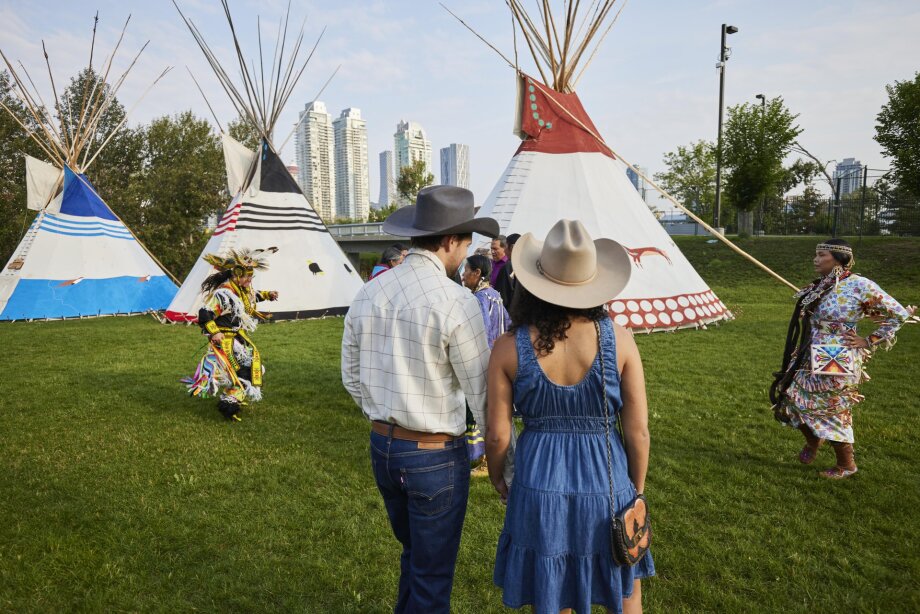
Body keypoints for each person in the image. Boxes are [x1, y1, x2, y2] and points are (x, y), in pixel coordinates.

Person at [341, 185, 501, 612]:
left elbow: (351, 377)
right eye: (465, 244)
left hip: (384, 447)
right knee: (430, 576)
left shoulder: (369, 292)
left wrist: (384, 415)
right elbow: (482, 393)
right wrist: (504, 462)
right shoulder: (456, 301)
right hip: (432, 454)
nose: (465, 254)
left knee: (414, 556)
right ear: (450, 241)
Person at [487, 219, 654, 614]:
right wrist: (637, 489)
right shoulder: (621, 339)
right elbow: (639, 431)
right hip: (608, 476)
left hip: (538, 477)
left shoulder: (508, 347)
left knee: (553, 580)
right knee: (622, 574)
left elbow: (497, 435)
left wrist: (497, 475)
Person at [770, 238, 913, 479]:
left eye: (822, 255)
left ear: (838, 259)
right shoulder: (821, 285)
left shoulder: (859, 285)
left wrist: (869, 340)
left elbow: (897, 314)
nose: (816, 259)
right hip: (807, 352)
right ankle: (814, 439)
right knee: (790, 400)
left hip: (836, 354)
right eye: (816, 254)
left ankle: (846, 465)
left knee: (832, 409)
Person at [184, 248, 279, 422]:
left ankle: (231, 400)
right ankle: (229, 403)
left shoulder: (239, 291)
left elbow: (250, 300)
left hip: (237, 339)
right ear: (237, 274)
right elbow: (205, 313)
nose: (250, 280)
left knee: (254, 369)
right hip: (226, 342)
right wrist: (215, 332)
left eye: (251, 277)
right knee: (243, 371)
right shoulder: (224, 294)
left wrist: (267, 295)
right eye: (247, 277)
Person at [461, 254, 510, 349]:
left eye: (466, 270)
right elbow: (508, 322)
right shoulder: (494, 293)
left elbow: (483, 331)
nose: (463, 274)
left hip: (485, 351)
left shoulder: (480, 297)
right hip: (498, 349)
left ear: (477, 272)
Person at [493, 232, 520, 310]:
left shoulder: (508, 266)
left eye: (505, 247)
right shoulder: (526, 268)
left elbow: (502, 296)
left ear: (511, 247)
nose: (504, 250)